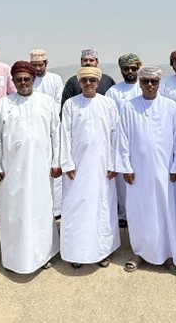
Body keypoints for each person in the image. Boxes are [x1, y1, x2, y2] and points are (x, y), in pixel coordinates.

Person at [0, 61, 61, 274]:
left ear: (33, 79)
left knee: (40, 213)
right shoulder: (4, 104)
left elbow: (57, 134)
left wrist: (56, 163)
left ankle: (43, 255)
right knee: (13, 215)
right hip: (11, 171)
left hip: (40, 168)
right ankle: (14, 259)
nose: (23, 83)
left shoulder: (47, 102)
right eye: (18, 79)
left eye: (26, 79)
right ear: (13, 81)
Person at [117, 66, 176, 273]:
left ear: (159, 83)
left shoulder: (171, 107)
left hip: (166, 172)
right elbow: (122, 138)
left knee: (166, 211)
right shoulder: (129, 107)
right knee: (140, 211)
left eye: (153, 81)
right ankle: (140, 252)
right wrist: (125, 166)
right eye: (145, 81)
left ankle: (168, 254)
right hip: (138, 173)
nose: (149, 85)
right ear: (139, 82)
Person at [60, 66, 120, 269]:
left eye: (92, 80)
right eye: (84, 80)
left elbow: (114, 135)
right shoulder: (70, 104)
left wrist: (113, 163)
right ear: (79, 82)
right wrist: (67, 162)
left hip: (102, 168)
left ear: (98, 82)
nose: (88, 84)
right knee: (76, 209)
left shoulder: (108, 104)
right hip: (76, 168)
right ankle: (76, 253)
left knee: (102, 209)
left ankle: (102, 252)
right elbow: (64, 135)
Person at [105, 53, 142, 227]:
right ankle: (123, 214)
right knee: (121, 181)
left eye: (133, 68)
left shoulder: (143, 88)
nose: (129, 71)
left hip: (139, 140)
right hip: (118, 140)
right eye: (126, 69)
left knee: (140, 178)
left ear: (138, 69)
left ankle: (138, 213)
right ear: (121, 70)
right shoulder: (113, 91)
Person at [30, 48, 64, 218]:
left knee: (54, 168)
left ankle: (55, 209)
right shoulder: (28, 81)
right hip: (33, 130)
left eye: (40, 65)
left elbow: (58, 102)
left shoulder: (55, 79)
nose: (37, 68)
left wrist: (46, 118)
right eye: (34, 65)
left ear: (46, 64)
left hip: (52, 128)